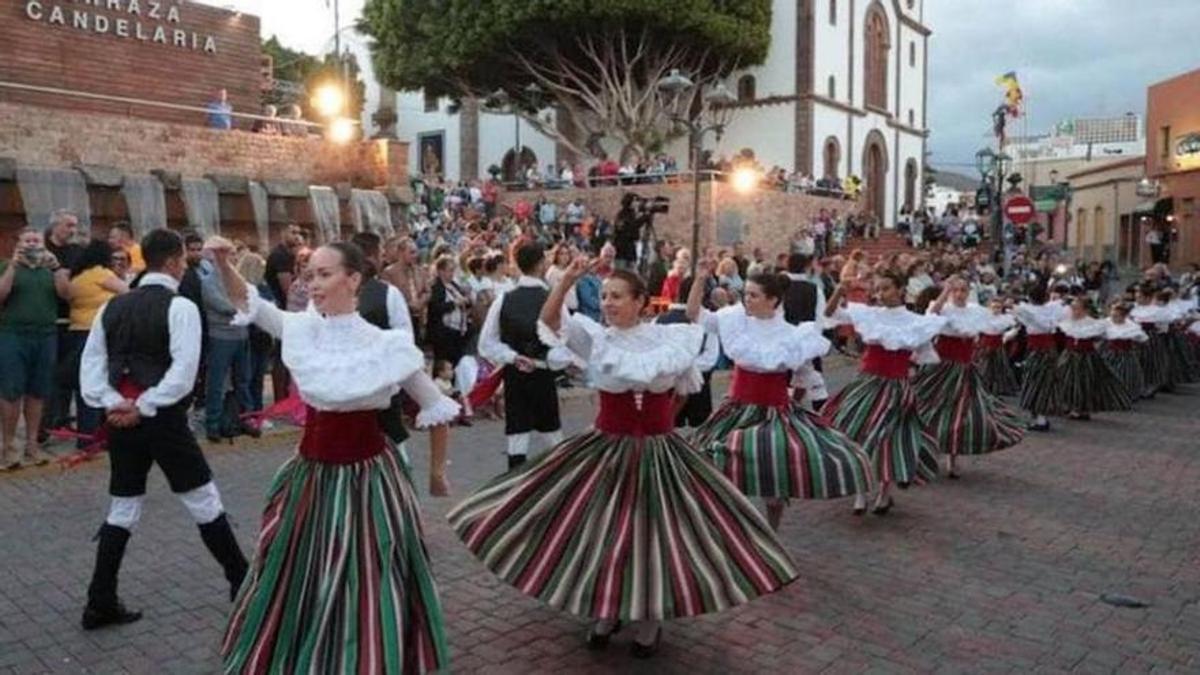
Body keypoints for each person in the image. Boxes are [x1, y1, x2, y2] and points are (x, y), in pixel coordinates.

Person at [449, 261, 798, 658]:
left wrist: (662, 416)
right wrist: (566, 281)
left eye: (617, 296)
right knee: (603, 530)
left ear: (640, 303)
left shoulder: (670, 338)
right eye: (604, 296)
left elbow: (682, 389)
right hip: (607, 448)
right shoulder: (595, 337)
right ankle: (607, 609)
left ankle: (649, 618)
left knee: (653, 535)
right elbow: (549, 322)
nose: (608, 303)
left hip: (658, 451)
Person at [212, 239, 459, 673]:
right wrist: (221, 261)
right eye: (310, 275)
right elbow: (246, 299)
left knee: (367, 573)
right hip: (312, 477)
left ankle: (364, 658)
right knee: (300, 572)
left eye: (325, 274)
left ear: (354, 279)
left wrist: (438, 473)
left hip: (369, 480)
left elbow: (436, 405)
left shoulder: (386, 344)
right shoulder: (303, 329)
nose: (314, 284)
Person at [78, 229, 248, 630]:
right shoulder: (181, 307)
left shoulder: (112, 307)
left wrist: (112, 403)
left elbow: (92, 366)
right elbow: (184, 373)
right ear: (173, 262)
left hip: (122, 419)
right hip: (162, 420)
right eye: (183, 260)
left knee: (124, 505)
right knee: (203, 500)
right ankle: (242, 584)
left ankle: (99, 600)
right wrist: (144, 406)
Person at [687, 266, 873, 527]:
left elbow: (804, 376)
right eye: (746, 294)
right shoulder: (735, 322)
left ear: (772, 300)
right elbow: (694, 314)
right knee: (713, 466)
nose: (746, 300)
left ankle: (771, 532)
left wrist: (797, 407)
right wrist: (698, 280)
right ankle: (734, 528)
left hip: (774, 413)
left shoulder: (793, 334)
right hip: (737, 409)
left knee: (773, 486)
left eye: (753, 295)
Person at [822, 270, 945, 514]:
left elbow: (923, 354)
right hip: (867, 382)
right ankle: (860, 491)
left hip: (896, 386)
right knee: (856, 431)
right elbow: (830, 314)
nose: (880, 294)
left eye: (886, 288)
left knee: (888, 438)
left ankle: (884, 492)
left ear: (900, 289)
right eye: (878, 289)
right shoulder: (870, 314)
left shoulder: (915, 321)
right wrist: (839, 290)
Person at [915, 277, 1025, 477]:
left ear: (968, 292)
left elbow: (993, 320)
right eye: (956, 290)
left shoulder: (975, 311)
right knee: (930, 407)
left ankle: (952, 457)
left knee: (960, 412)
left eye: (963, 290)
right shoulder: (945, 308)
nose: (959, 294)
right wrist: (944, 291)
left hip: (965, 367)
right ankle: (923, 450)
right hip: (942, 366)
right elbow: (931, 313)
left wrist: (1008, 306)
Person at [477, 243, 565, 470]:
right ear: (541, 265)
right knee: (551, 433)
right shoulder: (552, 299)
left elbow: (486, 343)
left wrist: (512, 357)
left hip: (515, 372)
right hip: (543, 372)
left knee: (517, 434)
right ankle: (557, 488)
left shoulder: (504, 300)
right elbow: (566, 341)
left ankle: (513, 490)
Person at [0, 228, 71, 469]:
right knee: (11, 392)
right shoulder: (8, 266)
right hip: (13, 335)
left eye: (36, 241)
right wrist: (13, 264)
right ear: (18, 244)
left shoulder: (49, 270)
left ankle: (32, 444)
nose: (32, 244)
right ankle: (8, 446)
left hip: (45, 335)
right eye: (27, 240)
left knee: (38, 392)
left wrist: (57, 267)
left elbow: (66, 294)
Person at [67, 239, 129, 441]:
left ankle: (85, 435)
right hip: (96, 332)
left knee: (84, 384)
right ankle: (98, 435)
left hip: (77, 330)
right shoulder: (100, 274)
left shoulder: (78, 276)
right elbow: (126, 291)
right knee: (101, 383)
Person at [198, 240, 257, 443]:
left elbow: (250, 300)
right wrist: (242, 307)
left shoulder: (238, 280)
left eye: (232, 255)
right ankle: (213, 424)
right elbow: (223, 306)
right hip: (221, 337)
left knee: (243, 380)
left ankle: (246, 419)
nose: (231, 258)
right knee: (216, 382)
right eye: (225, 254)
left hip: (241, 335)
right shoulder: (208, 282)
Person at [1055, 297, 1133, 420]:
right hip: (1069, 354)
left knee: (1083, 382)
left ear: (1085, 310)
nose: (1074, 311)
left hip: (1085, 356)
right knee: (1065, 378)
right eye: (1073, 308)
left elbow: (1104, 334)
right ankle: (1069, 405)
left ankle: (1081, 409)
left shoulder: (1093, 323)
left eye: (1077, 309)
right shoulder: (1067, 321)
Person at [1014, 283, 1065, 431]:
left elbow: (1043, 326)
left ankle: (1040, 419)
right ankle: (1039, 417)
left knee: (1037, 382)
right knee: (1042, 382)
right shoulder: (1050, 309)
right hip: (1045, 349)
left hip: (1039, 350)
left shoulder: (1034, 311)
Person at [428, 255, 472, 366]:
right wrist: (454, 303)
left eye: (453, 270)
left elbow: (464, 299)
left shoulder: (453, 285)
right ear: (441, 271)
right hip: (444, 333)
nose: (452, 273)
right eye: (450, 270)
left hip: (458, 331)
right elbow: (435, 308)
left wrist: (467, 300)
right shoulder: (436, 287)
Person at [1101, 301, 1149, 401]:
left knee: (1126, 375)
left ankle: (1124, 395)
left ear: (1123, 316)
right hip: (1110, 352)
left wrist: (1138, 345)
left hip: (1126, 354)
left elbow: (1143, 339)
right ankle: (1109, 394)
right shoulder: (1107, 323)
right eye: (1113, 315)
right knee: (1109, 373)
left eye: (1117, 316)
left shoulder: (1131, 326)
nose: (1114, 318)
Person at [974, 298, 1019, 397]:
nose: (996, 310)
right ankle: (983, 386)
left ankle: (999, 387)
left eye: (998, 307)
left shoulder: (1004, 318)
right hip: (985, 345)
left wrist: (1008, 335)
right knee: (984, 366)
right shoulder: (984, 318)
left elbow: (1015, 326)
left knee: (1000, 366)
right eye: (994, 307)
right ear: (989, 308)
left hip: (998, 345)